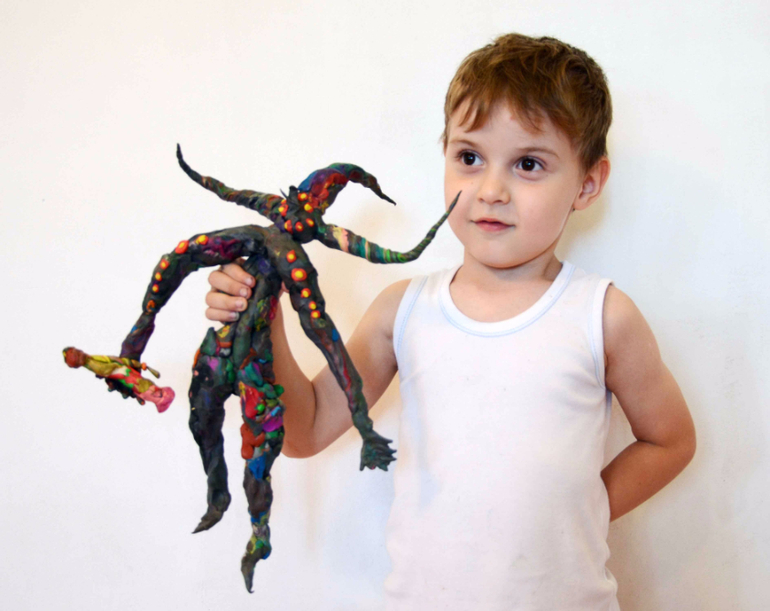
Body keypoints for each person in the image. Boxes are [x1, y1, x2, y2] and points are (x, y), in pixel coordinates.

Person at [204, 33, 696, 609]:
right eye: (469, 158)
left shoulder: (602, 315)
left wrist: (578, 515)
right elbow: (305, 431)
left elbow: (670, 441)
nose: (490, 190)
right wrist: (263, 323)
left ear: (587, 183)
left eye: (528, 164)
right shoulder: (402, 311)